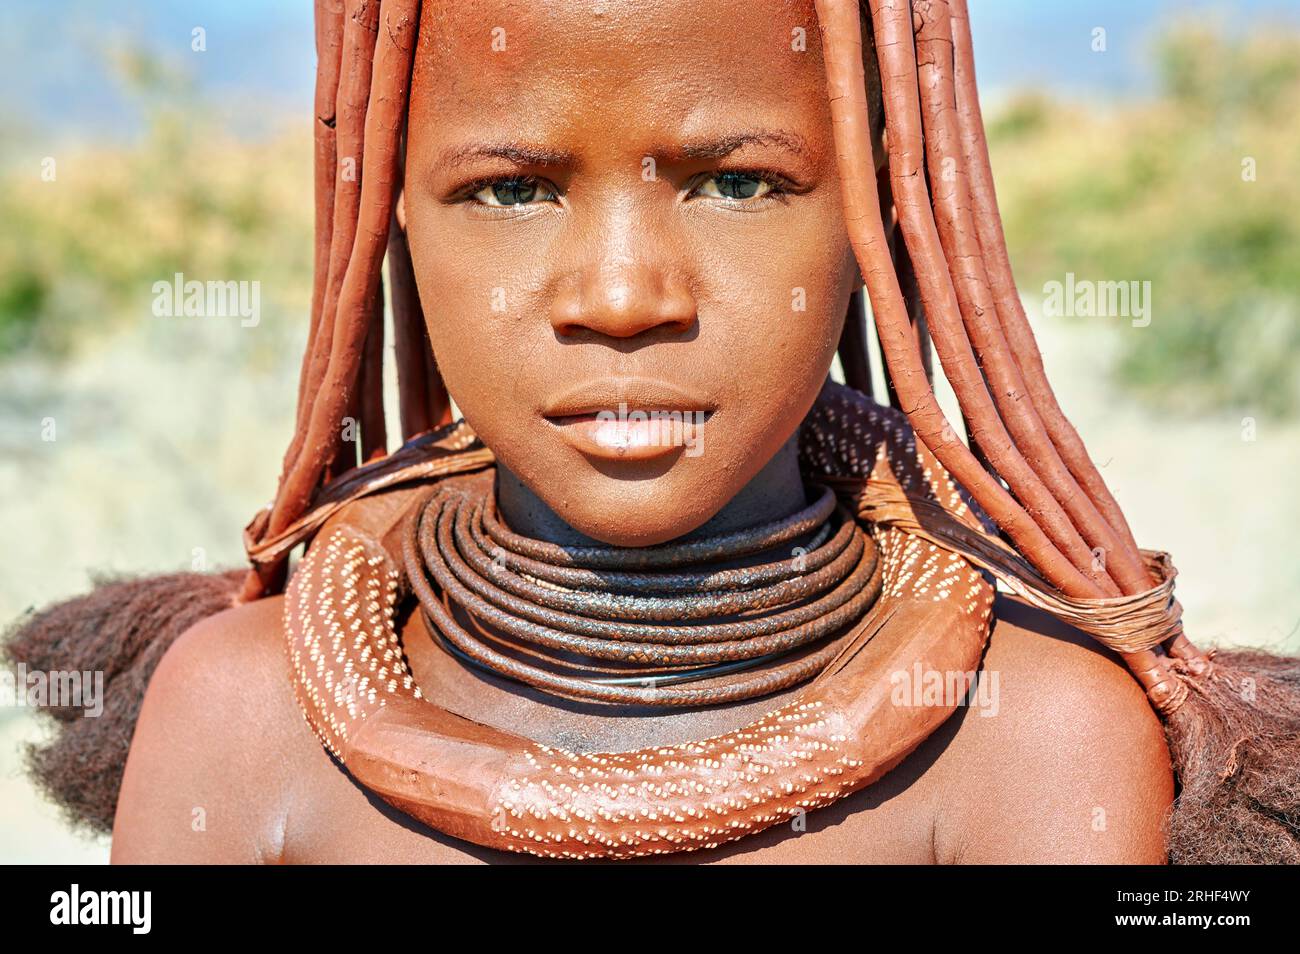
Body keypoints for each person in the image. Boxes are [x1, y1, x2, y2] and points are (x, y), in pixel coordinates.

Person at [8, 0, 1297, 864]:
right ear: (394, 215)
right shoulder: (239, 718)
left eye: (738, 182)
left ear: (877, 205)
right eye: (509, 188)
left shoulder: (1028, 737)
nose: (622, 298)